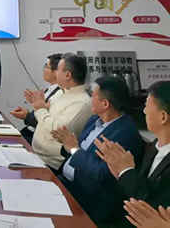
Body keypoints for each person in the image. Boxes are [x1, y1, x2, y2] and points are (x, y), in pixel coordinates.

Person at [52, 76, 145, 224]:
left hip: (88, 198)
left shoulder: (125, 134)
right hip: (66, 182)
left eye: (93, 96)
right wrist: (66, 143)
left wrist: (73, 149)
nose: (90, 99)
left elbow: (102, 174)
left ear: (105, 104)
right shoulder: (94, 120)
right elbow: (77, 151)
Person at [95, 81, 170, 227]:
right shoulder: (157, 144)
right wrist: (121, 173)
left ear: (163, 117)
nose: (144, 111)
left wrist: (126, 171)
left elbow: (152, 211)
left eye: (147, 106)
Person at [30, 52, 92, 170]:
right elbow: (44, 118)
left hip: (50, 163)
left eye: (58, 70)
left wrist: (41, 110)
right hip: (36, 154)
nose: (55, 73)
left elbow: (59, 128)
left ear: (67, 75)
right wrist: (39, 108)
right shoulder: (60, 93)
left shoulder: (82, 102)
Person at [10, 53, 63, 144]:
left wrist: (27, 116)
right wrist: (31, 109)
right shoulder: (50, 89)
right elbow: (39, 111)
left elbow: (45, 121)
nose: (43, 70)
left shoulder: (60, 93)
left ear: (55, 72)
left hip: (37, 138)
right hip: (30, 131)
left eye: (46, 67)